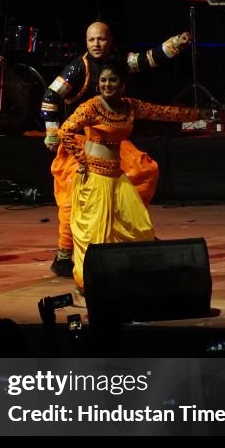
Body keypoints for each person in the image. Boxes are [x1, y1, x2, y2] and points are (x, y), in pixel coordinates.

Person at [42, 21, 192, 277]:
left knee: (145, 171)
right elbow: (50, 97)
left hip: (112, 140)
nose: (96, 45)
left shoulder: (118, 64)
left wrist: (174, 45)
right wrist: (52, 133)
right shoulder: (79, 68)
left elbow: (146, 61)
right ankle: (65, 255)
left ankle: (126, 233)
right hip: (80, 142)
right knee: (73, 202)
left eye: (100, 39)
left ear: (110, 41)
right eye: (91, 40)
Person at [58, 58, 208, 289]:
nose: (107, 85)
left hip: (116, 177)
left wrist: (197, 114)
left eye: (113, 80)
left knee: (137, 226)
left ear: (122, 85)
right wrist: (82, 160)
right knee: (94, 233)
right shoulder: (90, 107)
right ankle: (92, 282)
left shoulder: (129, 105)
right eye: (103, 81)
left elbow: (161, 112)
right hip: (95, 178)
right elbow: (66, 131)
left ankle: (124, 274)